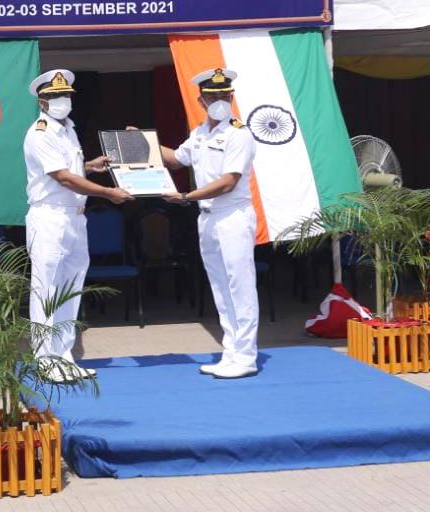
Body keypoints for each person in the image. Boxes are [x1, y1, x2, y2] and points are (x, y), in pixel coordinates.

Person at [23, 69, 132, 381]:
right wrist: (108, 192)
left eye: (66, 96)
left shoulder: (67, 128)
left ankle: (64, 355)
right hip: (50, 216)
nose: (63, 101)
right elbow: (63, 178)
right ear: (42, 102)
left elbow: (69, 168)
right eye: (56, 97)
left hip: (74, 217)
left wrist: (90, 167)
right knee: (47, 290)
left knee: (71, 288)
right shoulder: (40, 132)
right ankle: (46, 361)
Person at [157, 68, 259, 379]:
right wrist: (142, 143)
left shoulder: (239, 133)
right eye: (212, 95)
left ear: (232, 97)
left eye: (224, 95)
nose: (219, 100)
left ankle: (246, 356)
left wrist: (186, 196)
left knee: (240, 286)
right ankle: (231, 351)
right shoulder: (200, 133)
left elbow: (229, 181)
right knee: (220, 287)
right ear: (201, 100)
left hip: (232, 215)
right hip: (208, 218)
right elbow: (176, 159)